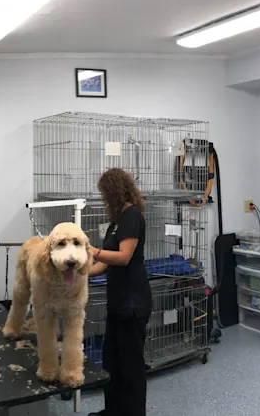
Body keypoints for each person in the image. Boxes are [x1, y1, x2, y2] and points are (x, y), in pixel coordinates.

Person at [88, 168, 153, 416]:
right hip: (117, 304)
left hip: (133, 304)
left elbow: (124, 257)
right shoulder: (116, 223)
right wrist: (80, 275)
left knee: (131, 367)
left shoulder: (132, 216)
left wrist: (91, 250)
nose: (104, 200)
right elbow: (105, 264)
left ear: (114, 192)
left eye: (105, 194)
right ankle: (112, 411)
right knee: (112, 363)